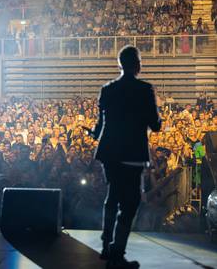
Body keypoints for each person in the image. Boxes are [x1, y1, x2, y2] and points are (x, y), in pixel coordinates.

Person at [91, 45, 161, 268]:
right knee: (130, 204)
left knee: (113, 196)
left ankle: (105, 246)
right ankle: (117, 251)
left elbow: (100, 125)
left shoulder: (107, 89)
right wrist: (158, 121)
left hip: (109, 152)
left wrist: (95, 133)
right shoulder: (145, 89)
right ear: (138, 65)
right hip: (132, 154)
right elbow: (155, 125)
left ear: (119, 64)